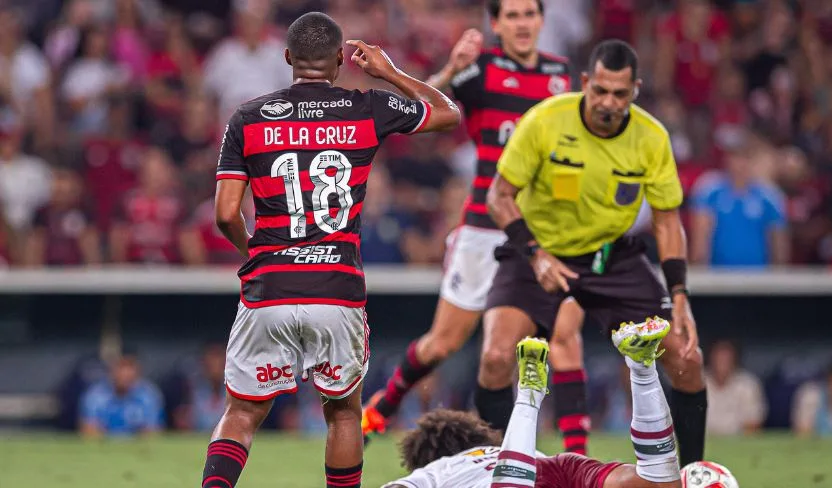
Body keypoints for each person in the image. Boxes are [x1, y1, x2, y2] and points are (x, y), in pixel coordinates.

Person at [203, 12, 460, 488]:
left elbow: (224, 213)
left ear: (287, 58)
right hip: (337, 288)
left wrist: (254, 250)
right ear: (342, 59)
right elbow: (448, 113)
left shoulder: (248, 116)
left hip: (269, 287)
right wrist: (389, 72)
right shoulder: (367, 107)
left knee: (241, 413)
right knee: (343, 414)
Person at [483, 39, 707, 466]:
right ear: (585, 82)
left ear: (635, 90)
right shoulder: (545, 121)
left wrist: (679, 294)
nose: (609, 102)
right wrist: (535, 254)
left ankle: (691, 474)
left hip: (611, 259)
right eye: (600, 90)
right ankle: (489, 473)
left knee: (687, 358)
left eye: (620, 94)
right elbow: (499, 197)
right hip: (537, 253)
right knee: (495, 358)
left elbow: (666, 220)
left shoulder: (651, 138)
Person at [362, 0, 571, 443]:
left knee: (544, 347)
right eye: (511, 16)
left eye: (528, 14)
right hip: (482, 227)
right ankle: (382, 405)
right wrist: (451, 69)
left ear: (541, 20)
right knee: (443, 344)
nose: (521, 24)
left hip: (541, 233)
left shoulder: (563, 77)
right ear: (495, 24)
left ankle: (550, 452)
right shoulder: (481, 68)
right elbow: (420, 107)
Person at [383, 318, 681, 488]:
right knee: (655, 484)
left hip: (517, 474)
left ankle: (528, 395)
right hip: (553, 466)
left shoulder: (436, 471)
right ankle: (642, 369)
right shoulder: (494, 451)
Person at [79, 352, 164, 438]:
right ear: (111, 371)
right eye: (121, 368)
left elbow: (153, 431)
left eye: (129, 368)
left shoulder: (148, 394)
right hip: (104, 446)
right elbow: (89, 431)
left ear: (137, 372)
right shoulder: (96, 395)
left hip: (137, 447)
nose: (125, 374)